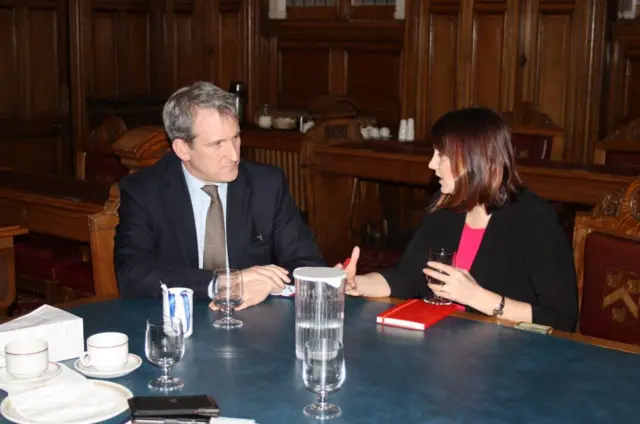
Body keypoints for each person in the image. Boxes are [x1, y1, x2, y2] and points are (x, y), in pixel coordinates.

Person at [343, 106, 578, 332]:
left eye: (441, 155)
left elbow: (560, 318)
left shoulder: (534, 219)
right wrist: (357, 284)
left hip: (508, 353)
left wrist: (476, 297)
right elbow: (407, 278)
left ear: (474, 160)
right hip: (445, 341)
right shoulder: (447, 205)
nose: (431, 164)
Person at [114, 81, 326, 309]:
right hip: (178, 320)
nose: (234, 155)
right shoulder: (145, 191)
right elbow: (132, 273)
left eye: (235, 138)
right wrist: (221, 284)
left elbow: (308, 265)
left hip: (253, 323)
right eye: (217, 144)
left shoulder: (267, 185)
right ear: (182, 149)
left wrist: (273, 285)